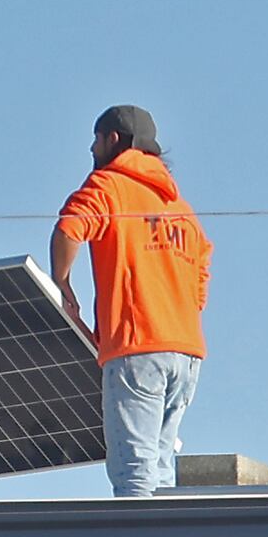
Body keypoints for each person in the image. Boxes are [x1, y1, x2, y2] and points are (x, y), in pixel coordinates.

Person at [50, 105, 213, 497]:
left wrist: (63, 284)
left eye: (96, 138)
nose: (92, 147)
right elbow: (201, 280)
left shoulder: (108, 185)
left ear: (114, 140)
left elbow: (69, 228)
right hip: (186, 354)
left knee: (134, 472)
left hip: (138, 348)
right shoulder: (182, 211)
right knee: (159, 468)